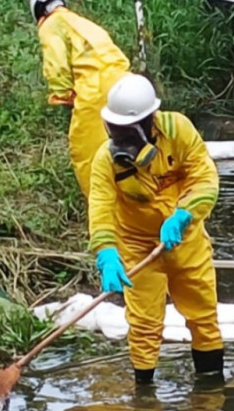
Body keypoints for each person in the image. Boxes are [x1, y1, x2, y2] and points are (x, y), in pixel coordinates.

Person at [88, 73, 224, 384]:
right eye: (115, 130)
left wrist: (184, 215)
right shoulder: (106, 161)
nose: (121, 140)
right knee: (144, 325)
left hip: (185, 239)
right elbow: (100, 207)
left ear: (150, 122)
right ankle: (144, 396)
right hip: (137, 247)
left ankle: (212, 391)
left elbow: (205, 178)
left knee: (203, 317)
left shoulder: (179, 131)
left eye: (128, 132)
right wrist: (106, 252)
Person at [31, 0, 130, 196]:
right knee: (131, 141)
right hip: (125, 80)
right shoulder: (81, 21)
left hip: (96, 89)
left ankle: (102, 203)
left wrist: (62, 95)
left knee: (85, 152)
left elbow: (56, 66)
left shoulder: (51, 24)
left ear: (39, 10)